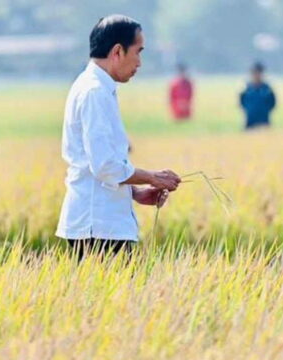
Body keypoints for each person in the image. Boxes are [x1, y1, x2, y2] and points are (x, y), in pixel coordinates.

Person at [56, 15, 182, 260]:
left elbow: (99, 167)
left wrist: (134, 192)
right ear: (117, 52)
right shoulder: (95, 92)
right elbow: (104, 166)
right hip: (99, 227)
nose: (140, 63)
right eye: (138, 52)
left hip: (100, 223)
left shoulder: (97, 87)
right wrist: (153, 177)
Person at [239, 62, 276, 130]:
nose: (256, 75)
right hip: (249, 122)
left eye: (258, 73)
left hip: (264, 122)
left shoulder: (267, 90)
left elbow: (272, 104)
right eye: (254, 73)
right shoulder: (246, 89)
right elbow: (242, 102)